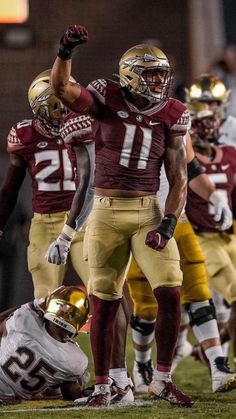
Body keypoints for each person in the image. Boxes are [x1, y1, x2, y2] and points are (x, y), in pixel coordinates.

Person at [46, 24, 194, 408]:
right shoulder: (105, 96)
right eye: (151, 73)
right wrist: (65, 52)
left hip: (149, 212)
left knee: (171, 290)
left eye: (163, 73)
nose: (159, 80)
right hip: (105, 212)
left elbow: (179, 179)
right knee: (104, 301)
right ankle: (102, 385)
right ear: (130, 74)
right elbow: (62, 89)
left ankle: (161, 379)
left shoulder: (173, 113)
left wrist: (167, 223)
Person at [126, 132, 236, 394]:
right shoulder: (118, 117)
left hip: (177, 216)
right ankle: (142, 365)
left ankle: (218, 364)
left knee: (198, 289)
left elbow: (191, 167)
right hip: (137, 217)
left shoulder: (176, 119)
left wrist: (214, 197)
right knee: (147, 303)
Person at [0, 69, 93, 298]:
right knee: (44, 296)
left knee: (102, 288)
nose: (69, 109)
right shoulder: (25, 135)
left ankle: (108, 335)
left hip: (84, 218)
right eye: (62, 104)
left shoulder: (85, 127)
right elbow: (10, 188)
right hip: (47, 222)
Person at [185, 103, 236, 371]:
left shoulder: (230, 153)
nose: (208, 127)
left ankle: (206, 350)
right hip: (204, 237)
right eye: (201, 122)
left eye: (210, 121)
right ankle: (222, 358)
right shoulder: (185, 161)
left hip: (231, 234)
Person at [0, 285, 90, 403]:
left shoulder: (25, 320)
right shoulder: (77, 359)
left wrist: (36, 303)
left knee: (5, 327)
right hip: (13, 396)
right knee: (79, 376)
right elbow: (71, 393)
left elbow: (1, 319)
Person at [185, 73, 236, 146]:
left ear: (221, 104)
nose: (206, 107)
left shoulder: (233, 127)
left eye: (210, 103)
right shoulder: (186, 129)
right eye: (201, 103)